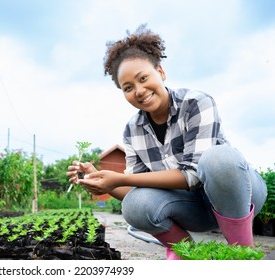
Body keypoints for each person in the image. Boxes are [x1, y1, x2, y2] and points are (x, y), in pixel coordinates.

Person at [67, 24, 268, 260]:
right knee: (134, 205)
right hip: (193, 209)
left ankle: (241, 253)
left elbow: (193, 175)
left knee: (219, 158)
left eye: (143, 78)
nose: (139, 91)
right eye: (128, 88)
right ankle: (186, 253)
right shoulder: (132, 130)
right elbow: (137, 191)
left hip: (237, 198)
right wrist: (103, 181)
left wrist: (120, 177)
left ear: (160, 72)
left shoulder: (196, 103)